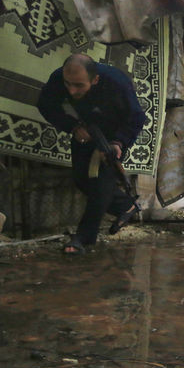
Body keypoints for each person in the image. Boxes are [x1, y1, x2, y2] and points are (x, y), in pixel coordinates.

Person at [37, 53, 145, 254]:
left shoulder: (117, 82)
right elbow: (46, 105)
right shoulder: (58, 78)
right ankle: (126, 206)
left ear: (95, 80)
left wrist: (119, 143)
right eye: (68, 84)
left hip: (113, 136)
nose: (71, 90)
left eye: (78, 85)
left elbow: (136, 118)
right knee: (81, 179)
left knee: (100, 185)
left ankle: (84, 238)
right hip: (85, 129)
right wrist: (72, 127)